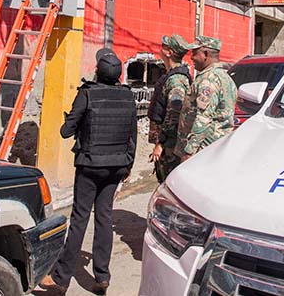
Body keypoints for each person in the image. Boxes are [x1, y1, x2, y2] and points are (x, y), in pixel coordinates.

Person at [40, 49, 137, 295]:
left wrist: (73, 120)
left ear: (97, 71)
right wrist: (128, 166)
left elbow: (66, 131)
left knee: (80, 219)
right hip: (117, 166)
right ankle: (102, 276)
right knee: (104, 217)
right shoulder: (128, 97)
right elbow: (132, 136)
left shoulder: (87, 94)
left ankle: (60, 279)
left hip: (90, 166)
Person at [175, 35, 237, 162]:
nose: (191, 57)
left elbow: (203, 118)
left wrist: (189, 151)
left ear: (205, 54)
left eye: (194, 53)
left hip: (203, 150)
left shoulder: (208, 80)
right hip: (217, 146)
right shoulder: (225, 77)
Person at [147, 34, 192, 182]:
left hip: (171, 146)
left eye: (163, 46)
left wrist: (162, 143)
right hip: (168, 144)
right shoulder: (172, 76)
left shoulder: (176, 80)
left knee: (168, 184)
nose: (160, 49)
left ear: (169, 52)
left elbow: (175, 114)